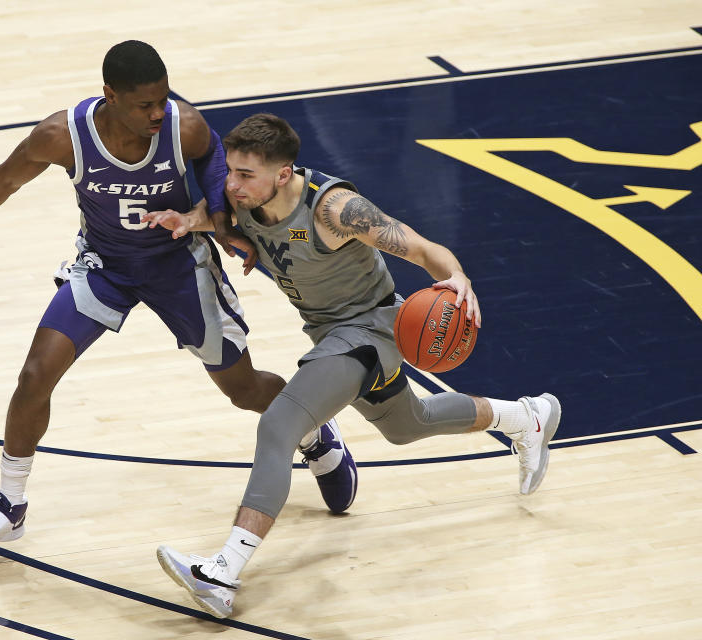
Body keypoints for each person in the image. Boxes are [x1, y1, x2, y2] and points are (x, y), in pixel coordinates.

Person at [0, 42, 358, 555]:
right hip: (107, 267)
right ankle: (8, 505)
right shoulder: (63, 135)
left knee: (243, 389)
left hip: (177, 266)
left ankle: (316, 434)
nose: (157, 113)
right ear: (110, 96)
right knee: (36, 373)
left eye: (162, 100)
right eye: (144, 104)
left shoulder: (181, 125)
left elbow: (215, 160)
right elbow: (7, 178)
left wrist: (220, 220)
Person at [146, 113, 562, 618]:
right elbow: (228, 218)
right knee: (409, 425)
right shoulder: (244, 201)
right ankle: (526, 417)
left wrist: (459, 280)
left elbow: (423, 248)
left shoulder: (336, 210)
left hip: (370, 330)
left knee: (280, 423)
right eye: (230, 170)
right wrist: (193, 220)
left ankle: (222, 572)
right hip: (329, 331)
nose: (231, 184)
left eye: (244, 174)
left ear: (283, 174)